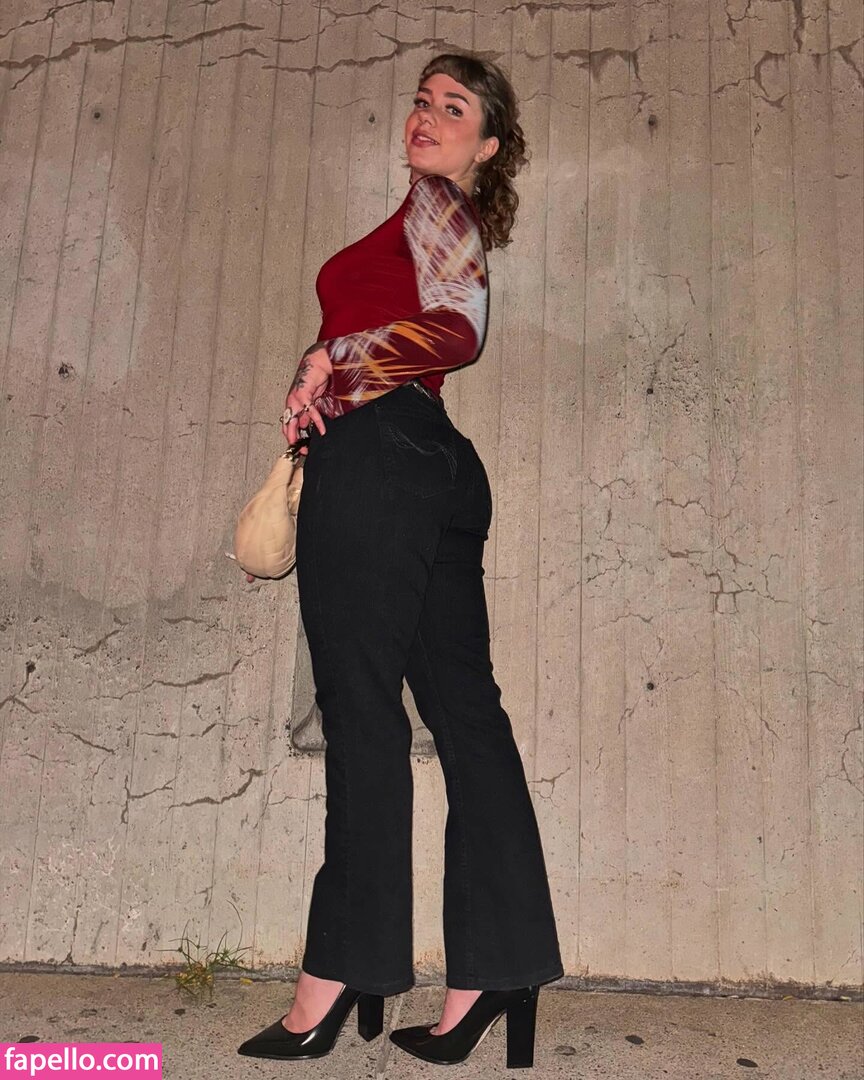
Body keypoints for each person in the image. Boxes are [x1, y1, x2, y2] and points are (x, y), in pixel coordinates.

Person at [237, 52, 564, 1069]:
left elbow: (456, 330)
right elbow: (422, 330)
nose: (427, 117)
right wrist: (325, 374)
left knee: (362, 709)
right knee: (467, 715)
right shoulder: (423, 219)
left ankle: (338, 975)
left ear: (487, 145)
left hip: (381, 460)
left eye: (452, 108)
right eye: (422, 102)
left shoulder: (435, 206)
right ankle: (495, 971)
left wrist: (329, 365)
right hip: (434, 467)